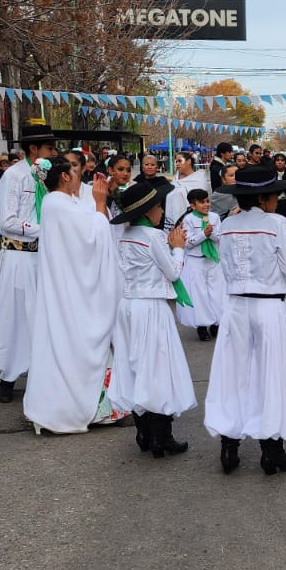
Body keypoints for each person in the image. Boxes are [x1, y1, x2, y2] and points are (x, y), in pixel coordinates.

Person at [204, 165, 286, 475]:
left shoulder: (227, 225)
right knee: (271, 374)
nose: (277, 201)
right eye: (275, 196)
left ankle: (229, 445)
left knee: (233, 374)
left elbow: (224, 266)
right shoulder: (276, 223)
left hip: (237, 306)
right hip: (268, 307)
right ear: (265, 198)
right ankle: (271, 449)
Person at [23, 157, 122, 434]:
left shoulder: (65, 203)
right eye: (75, 171)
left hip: (75, 284)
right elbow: (93, 238)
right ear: (65, 177)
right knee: (74, 342)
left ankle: (102, 407)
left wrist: (98, 201)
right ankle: (78, 406)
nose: (79, 176)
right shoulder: (56, 203)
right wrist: (101, 203)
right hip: (72, 289)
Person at [107, 182, 197, 458]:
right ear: (148, 211)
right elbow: (172, 273)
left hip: (128, 306)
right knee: (157, 367)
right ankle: (161, 436)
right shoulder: (153, 237)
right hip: (150, 307)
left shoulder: (125, 234)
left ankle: (144, 432)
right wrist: (178, 248)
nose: (161, 211)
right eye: (158, 206)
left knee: (134, 365)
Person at [0, 124, 58, 402]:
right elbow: (10, 222)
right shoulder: (12, 177)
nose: (54, 153)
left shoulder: (48, 176)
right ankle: (8, 376)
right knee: (15, 317)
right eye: (50, 148)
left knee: (42, 317)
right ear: (34, 149)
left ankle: (42, 372)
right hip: (18, 257)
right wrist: (48, 228)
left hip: (43, 257)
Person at [176, 188, 225, 342]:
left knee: (217, 293)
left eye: (207, 201)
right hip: (196, 260)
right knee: (200, 295)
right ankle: (202, 326)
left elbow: (220, 237)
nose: (206, 204)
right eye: (202, 202)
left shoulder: (215, 217)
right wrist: (204, 234)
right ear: (192, 205)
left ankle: (217, 323)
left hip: (213, 260)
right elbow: (188, 243)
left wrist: (212, 233)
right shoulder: (188, 220)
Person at [165, 151, 210, 230]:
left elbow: (202, 201)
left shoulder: (199, 180)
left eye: (179, 161)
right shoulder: (175, 178)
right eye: (176, 161)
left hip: (192, 220)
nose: (177, 164)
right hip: (171, 219)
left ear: (188, 161)